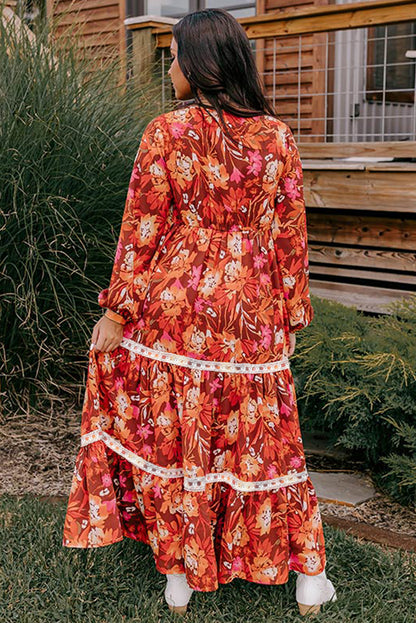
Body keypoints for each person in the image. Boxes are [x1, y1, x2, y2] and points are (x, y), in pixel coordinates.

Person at [62, 8, 337, 617]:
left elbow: (142, 228)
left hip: (177, 307)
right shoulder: (278, 137)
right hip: (253, 313)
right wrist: (291, 314)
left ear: (202, 63)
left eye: (177, 55)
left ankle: (182, 574)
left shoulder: (167, 131)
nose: (173, 67)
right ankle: (310, 575)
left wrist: (117, 309)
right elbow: (291, 237)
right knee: (269, 442)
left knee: (180, 436)